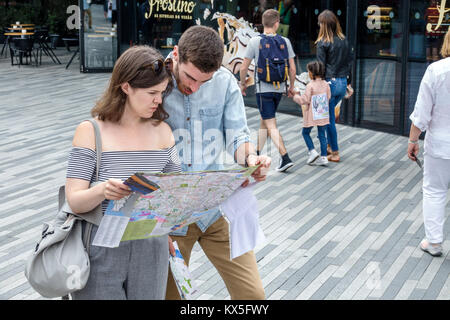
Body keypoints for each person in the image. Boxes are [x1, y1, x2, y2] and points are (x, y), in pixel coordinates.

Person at [163, 25, 271, 300]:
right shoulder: (152, 79)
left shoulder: (224, 82)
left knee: (253, 296)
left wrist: (250, 159)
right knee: (171, 297)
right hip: (171, 217)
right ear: (176, 54)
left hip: (215, 208)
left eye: (204, 81)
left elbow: (238, 137)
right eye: (190, 78)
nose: (194, 87)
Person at [66, 46, 181, 299]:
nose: (159, 101)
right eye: (152, 93)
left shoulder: (164, 132)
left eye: (162, 93)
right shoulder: (90, 131)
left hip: (152, 242)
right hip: (102, 243)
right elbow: (74, 200)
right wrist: (102, 190)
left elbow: (176, 192)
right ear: (126, 87)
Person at [407, 29, 450, 257]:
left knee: (434, 191)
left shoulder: (436, 70)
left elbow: (421, 113)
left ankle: (434, 243)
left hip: (441, 145)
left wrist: (413, 140)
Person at [240, 9, 296, 172]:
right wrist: (291, 87)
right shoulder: (285, 41)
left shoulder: (255, 41)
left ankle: (285, 157)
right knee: (265, 121)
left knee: (270, 123)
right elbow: (292, 69)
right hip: (278, 89)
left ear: (263, 23)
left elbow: (244, 67)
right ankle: (256, 152)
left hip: (263, 90)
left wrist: (242, 83)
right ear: (277, 23)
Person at [315, 9, 353, 163]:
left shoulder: (322, 43)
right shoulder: (344, 40)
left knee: (328, 119)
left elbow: (320, 68)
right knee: (330, 116)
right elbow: (349, 63)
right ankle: (330, 147)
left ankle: (335, 152)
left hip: (329, 83)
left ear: (323, 25)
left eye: (319, 22)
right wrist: (348, 84)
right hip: (342, 83)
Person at [293, 61, 330, 166]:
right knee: (322, 135)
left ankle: (312, 151)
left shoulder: (310, 85)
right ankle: (324, 157)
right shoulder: (326, 84)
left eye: (308, 71)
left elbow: (303, 100)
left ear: (312, 73)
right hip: (322, 113)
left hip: (312, 114)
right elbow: (328, 97)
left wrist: (295, 95)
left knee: (305, 133)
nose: (308, 73)